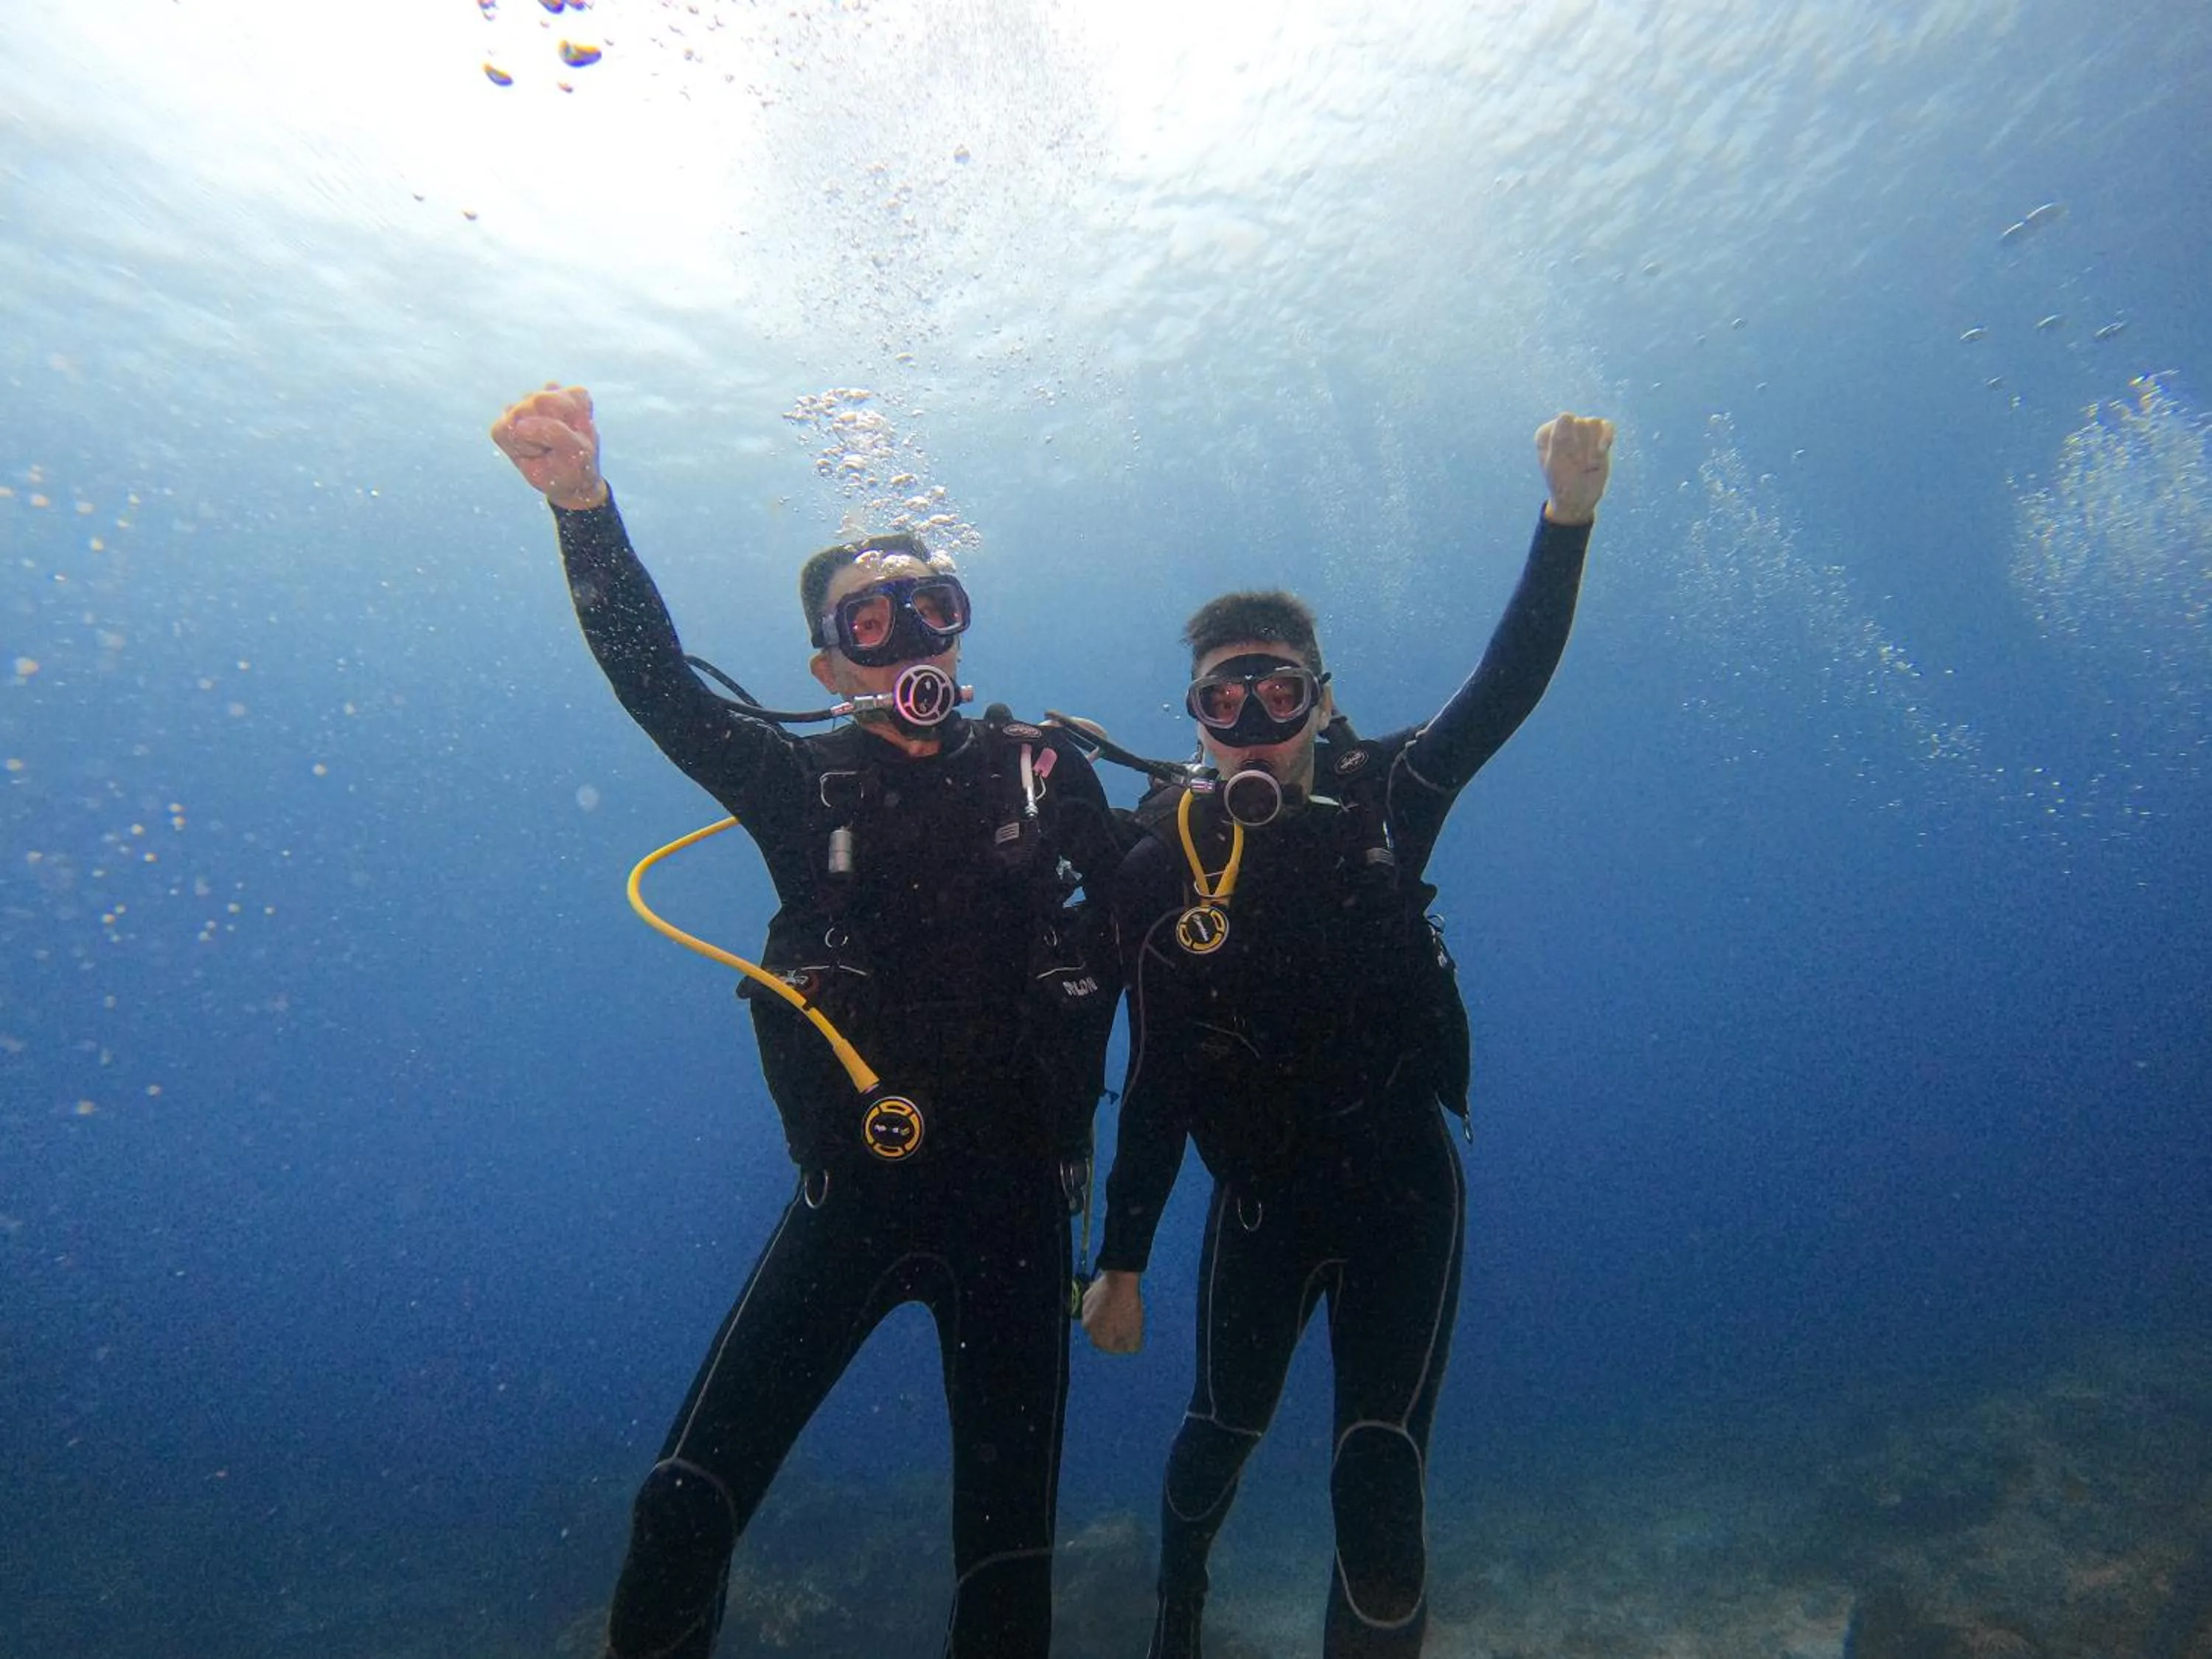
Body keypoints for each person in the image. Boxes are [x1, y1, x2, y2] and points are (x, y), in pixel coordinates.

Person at [491, 383, 1123, 1659]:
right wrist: (584, 512)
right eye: (870, 627)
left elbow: (1160, 907)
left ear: (960, 632)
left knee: (1007, 1584)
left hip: (1012, 1208)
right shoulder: (798, 783)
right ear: (830, 668)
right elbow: (659, 686)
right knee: (681, 1507)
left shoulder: (1048, 779)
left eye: (932, 615)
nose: (910, 650)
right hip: (855, 1195)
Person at [1079, 413, 1615, 1658]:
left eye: (1280, 688)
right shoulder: (1166, 861)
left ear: (1323, 700)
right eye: (1227, 697)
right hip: (1256, 1207)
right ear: (1197, 720)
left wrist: (1566, 522)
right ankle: (1178, 1620)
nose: (1256, 717)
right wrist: (1122, 1258)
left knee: (1378, 1484)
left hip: (1401, 1193)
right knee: (1217, 1435)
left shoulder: (1388, 794)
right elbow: (1154, 1074)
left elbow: (1508, 684)